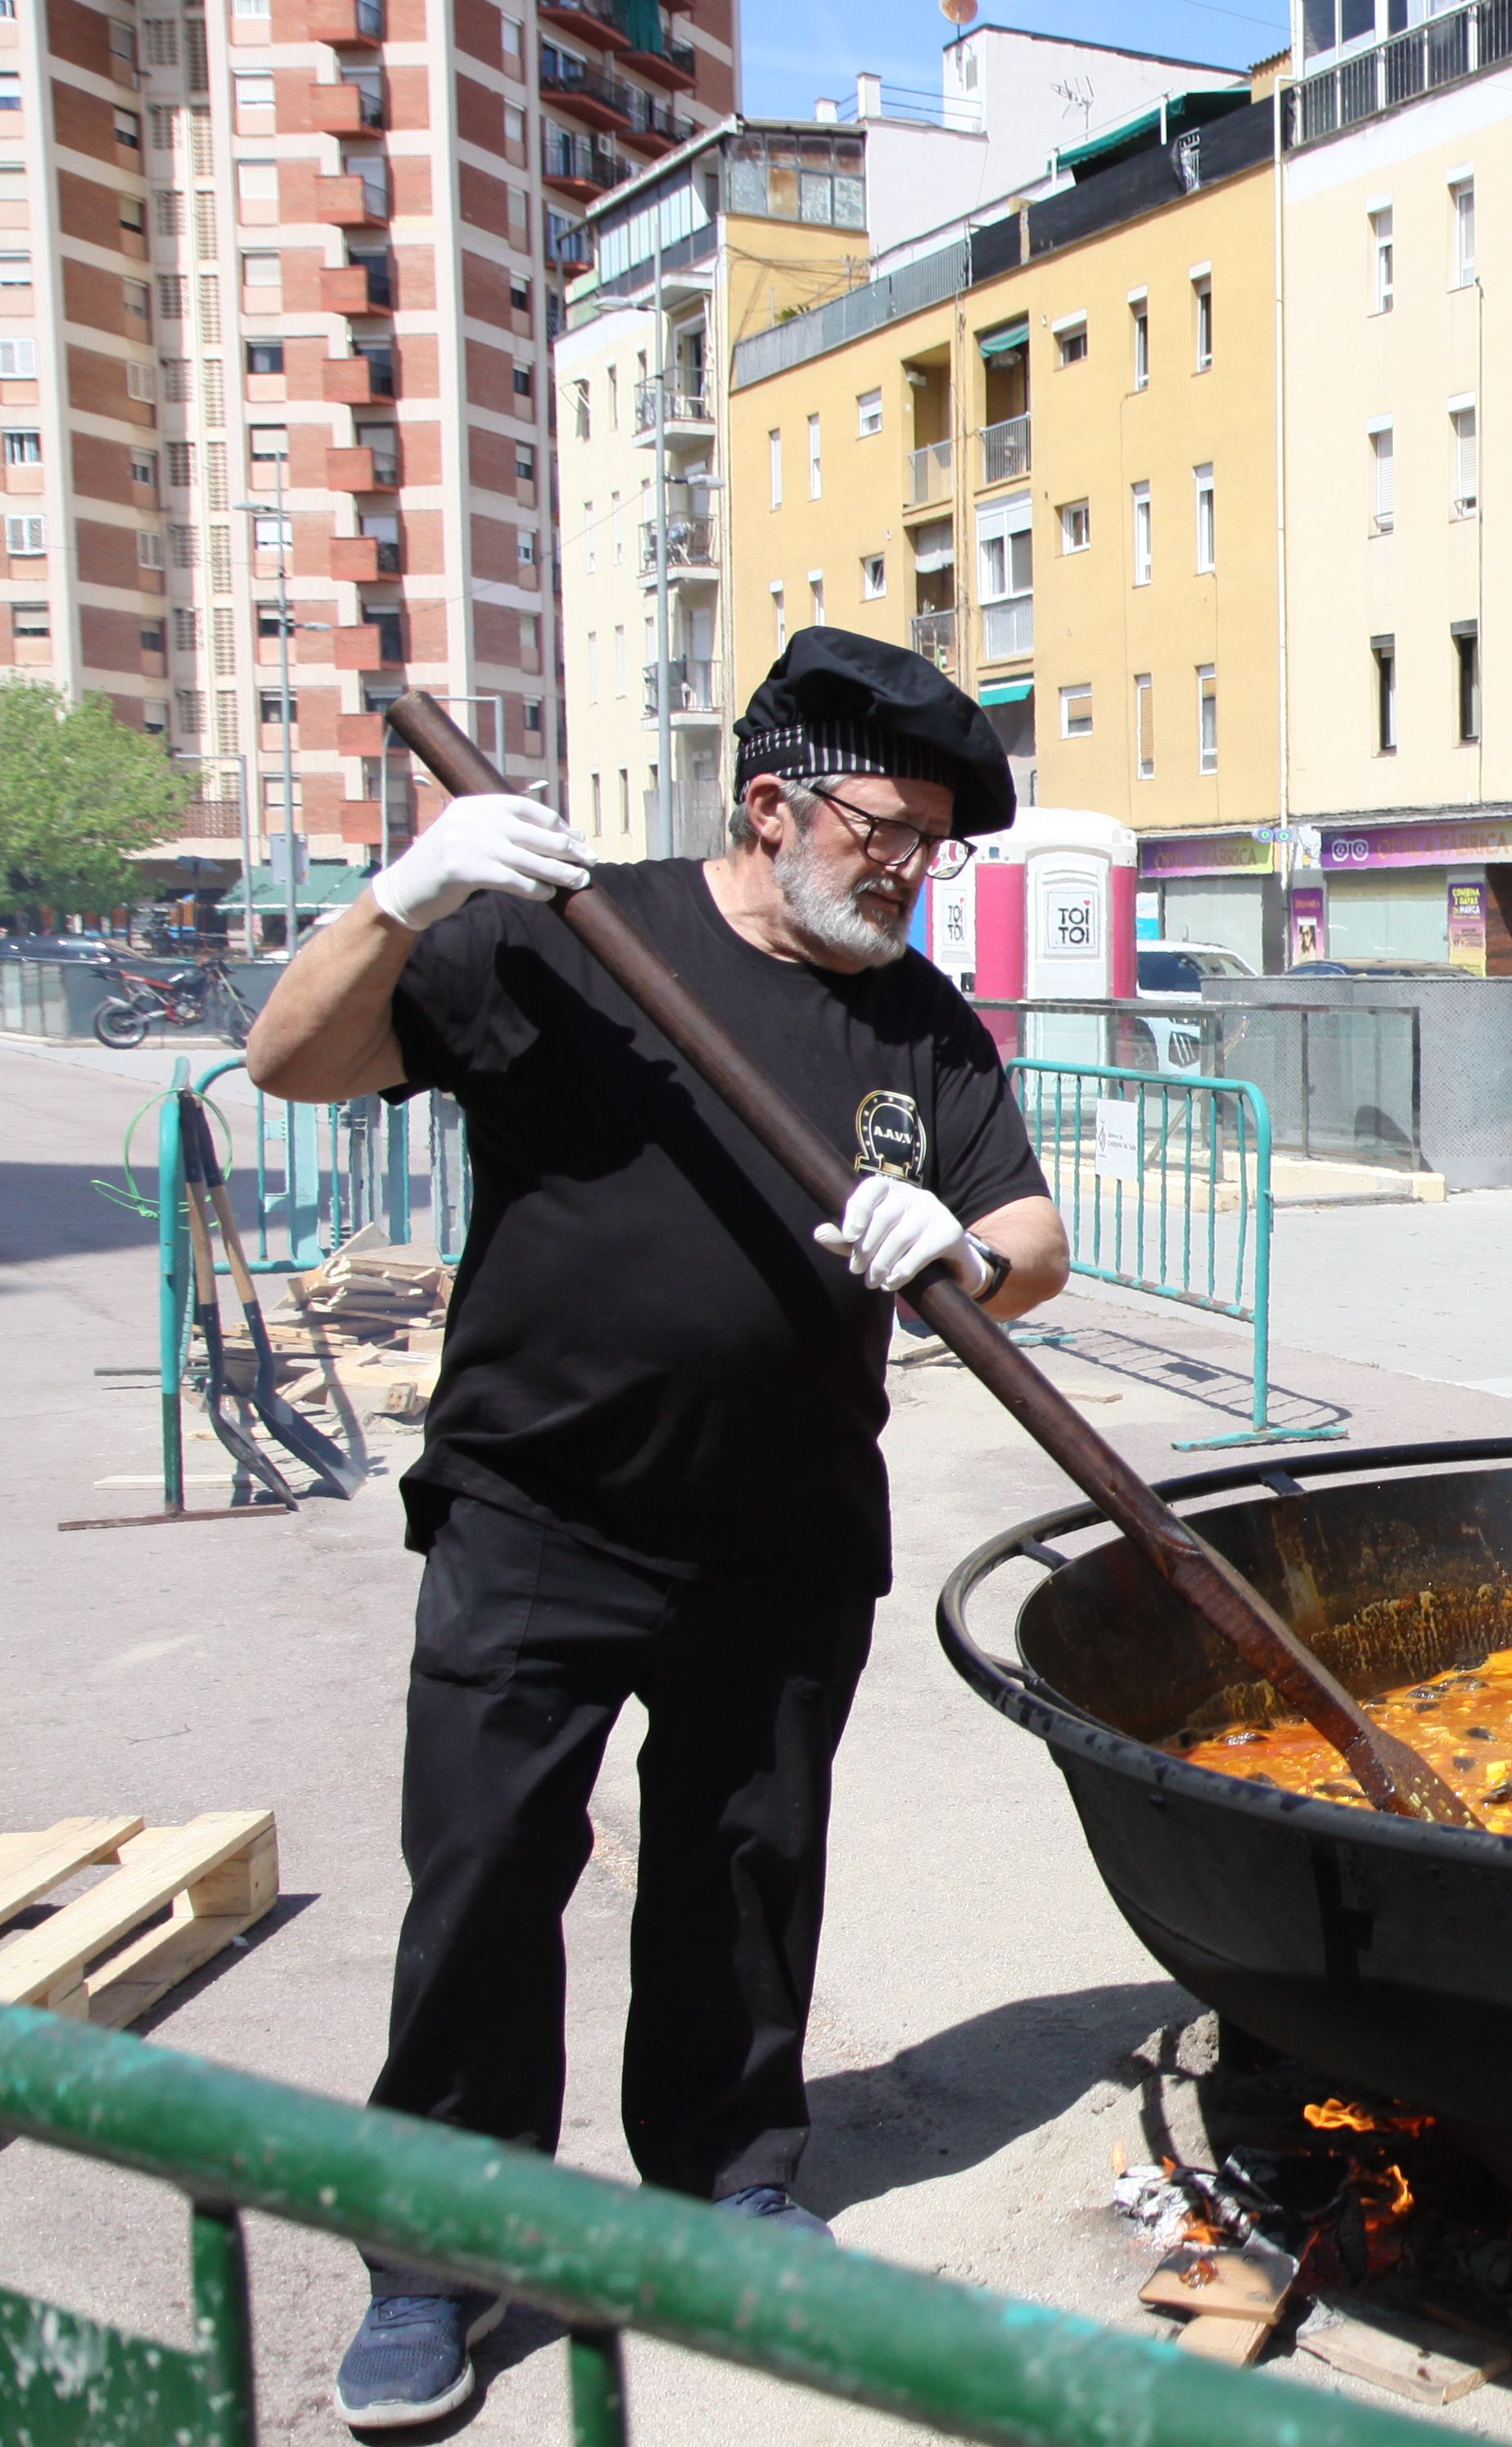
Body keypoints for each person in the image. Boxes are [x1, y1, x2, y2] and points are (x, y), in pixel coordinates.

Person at [247, 631, 1072, 2428]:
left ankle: (729, 2190)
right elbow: (290, 1060)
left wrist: (963, 1251)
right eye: (888, 832)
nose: (910, 870)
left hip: (781, 1533)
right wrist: (399, 900)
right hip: (539, 1514)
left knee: (744, 1884)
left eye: (936, 844)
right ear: (772, 803)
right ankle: (437, 2257)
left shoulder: (909, 1019)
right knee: (483, 1884)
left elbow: (1033, 1233)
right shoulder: (559, 932)